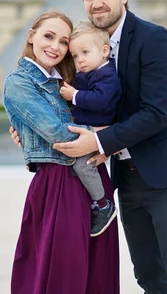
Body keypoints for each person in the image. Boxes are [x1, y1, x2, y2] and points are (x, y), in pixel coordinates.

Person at [50, 0, 167, 293]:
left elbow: (157, 113)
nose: (96, 3)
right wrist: (29, 128)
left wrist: (97, 143)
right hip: (128, 177)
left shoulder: (155, 39)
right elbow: (74, 104)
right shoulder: (87, 49)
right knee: (150, 278)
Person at [3, 11, 120, 294]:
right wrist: (108, 136)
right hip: (58, 182)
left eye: (63, 41)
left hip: (93, 177)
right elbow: (57, 133)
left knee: (97, 271)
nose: (56, 46)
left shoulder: (71, 79)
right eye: (48, 36)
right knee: (63, 273)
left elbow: (111, 106)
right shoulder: (19, 82)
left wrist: (106, 136)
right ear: (31, 36)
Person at [59, 21, 122, 237]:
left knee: (83, 166)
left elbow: (101, 100)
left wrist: (74, 95)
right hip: (86, 127)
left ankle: (103, 205)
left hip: (96, 130)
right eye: (75, 56)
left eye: (85, 52)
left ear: (105, 51)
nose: (80, 60)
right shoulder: (88, 74)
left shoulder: (108, 75)